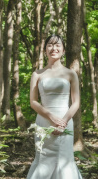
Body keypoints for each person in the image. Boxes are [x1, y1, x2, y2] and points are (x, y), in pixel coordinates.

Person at [26, 34, 82, 179]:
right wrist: (50, 116)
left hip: (65, 120)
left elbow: (76, 102)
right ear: (45, 50)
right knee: (43, 158)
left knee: (63, 158)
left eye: (57, 45)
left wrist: (63, 122)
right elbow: (33, 101)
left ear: (63, 50)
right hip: (43, 121)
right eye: (50, 45)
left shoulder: (70, 74)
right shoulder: (37, 74)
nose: (53, 48)